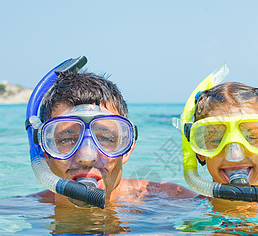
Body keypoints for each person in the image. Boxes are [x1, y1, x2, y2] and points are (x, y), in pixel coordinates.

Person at [26, 56, 196, 208]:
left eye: (105, 138)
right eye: (67, 139)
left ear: (128, 147)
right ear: (45, 151)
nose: (87, 157)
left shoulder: (175, 200)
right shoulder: (13, 211)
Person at [176, 65, 258, 210]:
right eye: (216, 140)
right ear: (200, 151)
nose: (235, 155)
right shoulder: (182, 213)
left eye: (251, 137)